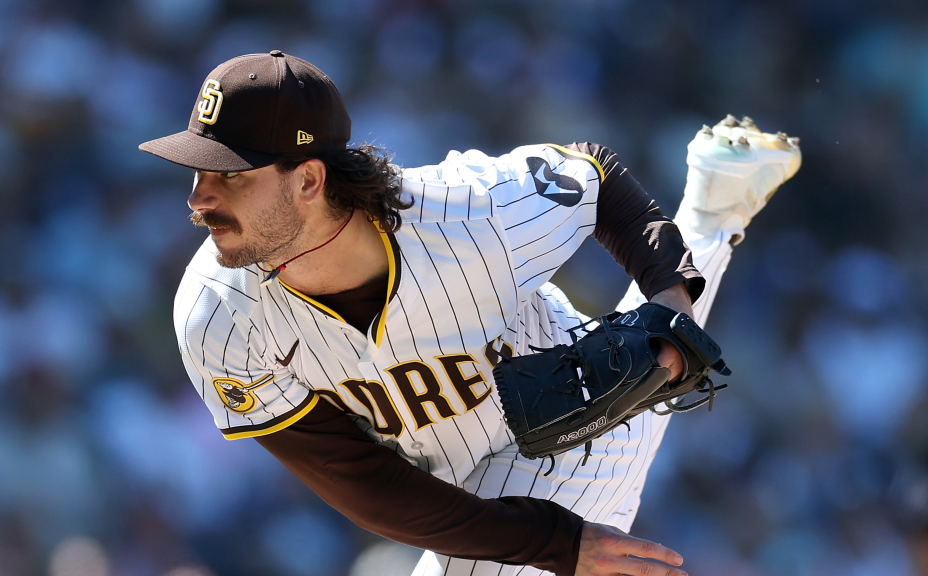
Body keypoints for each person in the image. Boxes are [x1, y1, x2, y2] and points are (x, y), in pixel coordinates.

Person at [139, 51, 800, 576]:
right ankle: (715, 203)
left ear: (309, 179)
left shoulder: (466, 213)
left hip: (578, 425)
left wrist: (671, 301)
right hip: (461, 491)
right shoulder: (217, 314)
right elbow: (363, 483)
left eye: (230, 175)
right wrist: (554, 544)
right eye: (198, 170)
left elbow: (594, 176)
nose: (198, 198)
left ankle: (711, 212)